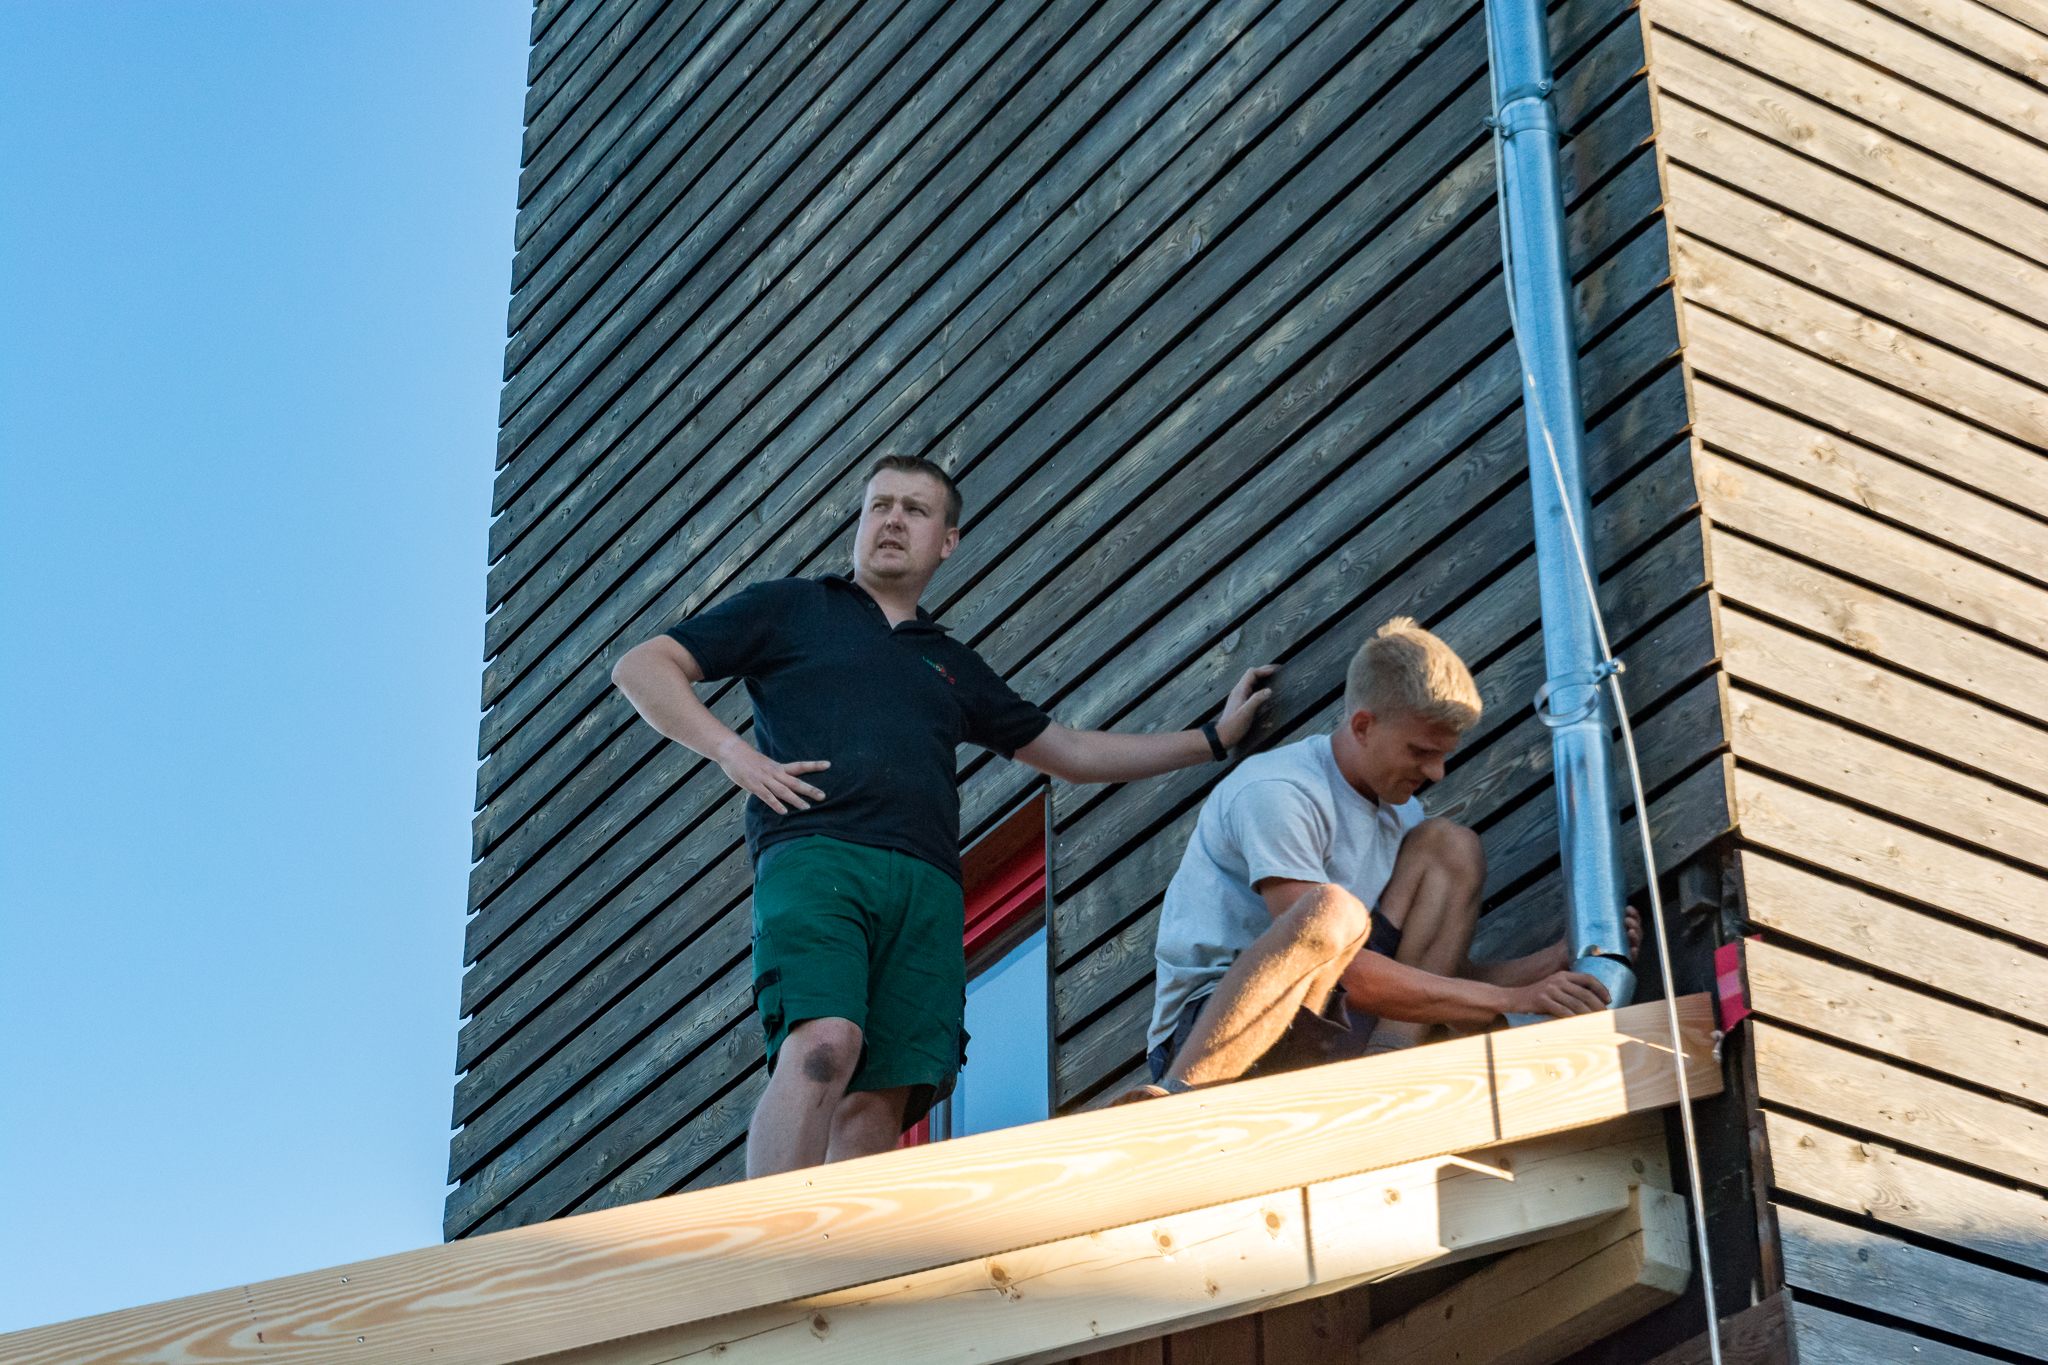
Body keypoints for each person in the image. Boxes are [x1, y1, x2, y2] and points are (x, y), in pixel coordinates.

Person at [612, 454, 1274, 1177]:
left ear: (947, 540)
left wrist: (1211, 740)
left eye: (914, 509)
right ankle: (766, 1240)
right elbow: (643, 667)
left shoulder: (951, 663)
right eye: (880, 506)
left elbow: (1072, 751)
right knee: (824, 1045)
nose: (892, 520)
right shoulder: (794, 607)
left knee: (878, 1105)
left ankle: (841, 1247)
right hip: (818, 854)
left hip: (926, 886)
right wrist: (732, 752)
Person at [1122, 617, 1639, 1102]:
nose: (1436, 773)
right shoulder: (1278, 791)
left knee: (1451, 847)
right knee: (1333, 913)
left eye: (1444, 755)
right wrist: (1513, 1001)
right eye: (1420, 751)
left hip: (1333, 1029)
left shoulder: (1401, 816)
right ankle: (1180, 1100)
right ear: (1364, 726)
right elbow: (1348, 971)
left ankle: (1389, 1072)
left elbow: (1428, 976)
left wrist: (1552, 965)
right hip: (1216, 1033)